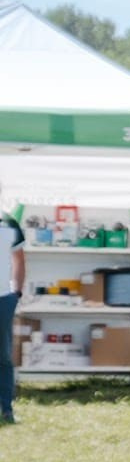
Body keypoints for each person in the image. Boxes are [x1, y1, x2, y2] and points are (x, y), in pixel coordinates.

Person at [0, 181, 22, 426]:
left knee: (3, 356)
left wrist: (17, 291)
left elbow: (19, 259)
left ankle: (6, 409)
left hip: (4, 297)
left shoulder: (9, 223)